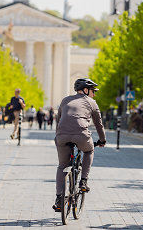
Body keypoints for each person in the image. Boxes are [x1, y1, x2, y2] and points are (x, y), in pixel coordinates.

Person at [52, 78, 106, 212]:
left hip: (62, 136)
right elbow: (99, 125)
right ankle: (83, 181)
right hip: (81, 135)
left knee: (62, 166)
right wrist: (102, 140)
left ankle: (59, 199)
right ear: (86, 90)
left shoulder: (65, 100)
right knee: (89, 151)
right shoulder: (92, 102)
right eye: (93, 91)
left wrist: (59, 136)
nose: (94, 94)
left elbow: (58, 120)